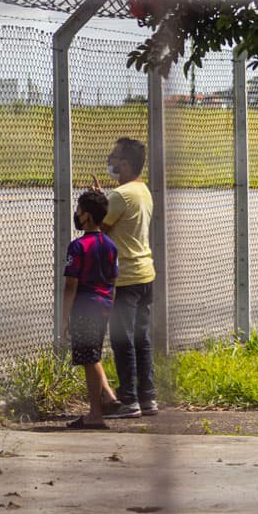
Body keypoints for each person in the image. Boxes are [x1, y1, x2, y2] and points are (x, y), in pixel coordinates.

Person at [97, 137, 156, 419]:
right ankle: (148, 397)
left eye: (116, 157)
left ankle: (129, 399)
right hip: (145, 274)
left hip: (125, 277)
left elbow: (99, 227)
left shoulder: (120, 196)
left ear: (127, 164)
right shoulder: (141, 191)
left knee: (123, 340)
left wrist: (97, 203)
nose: (111, 160)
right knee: (142, 338)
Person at [60, 189, 120, 430]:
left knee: (90, 358)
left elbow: (71, 285)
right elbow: (113, 281)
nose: (77, 213)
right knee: (91, 355)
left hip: (84, 307)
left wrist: (65, 317)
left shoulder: (78, 246)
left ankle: (96, 412)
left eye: (79, 210)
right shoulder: (110, 244)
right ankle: (102, 403)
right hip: (104, 305)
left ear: (86, 216)